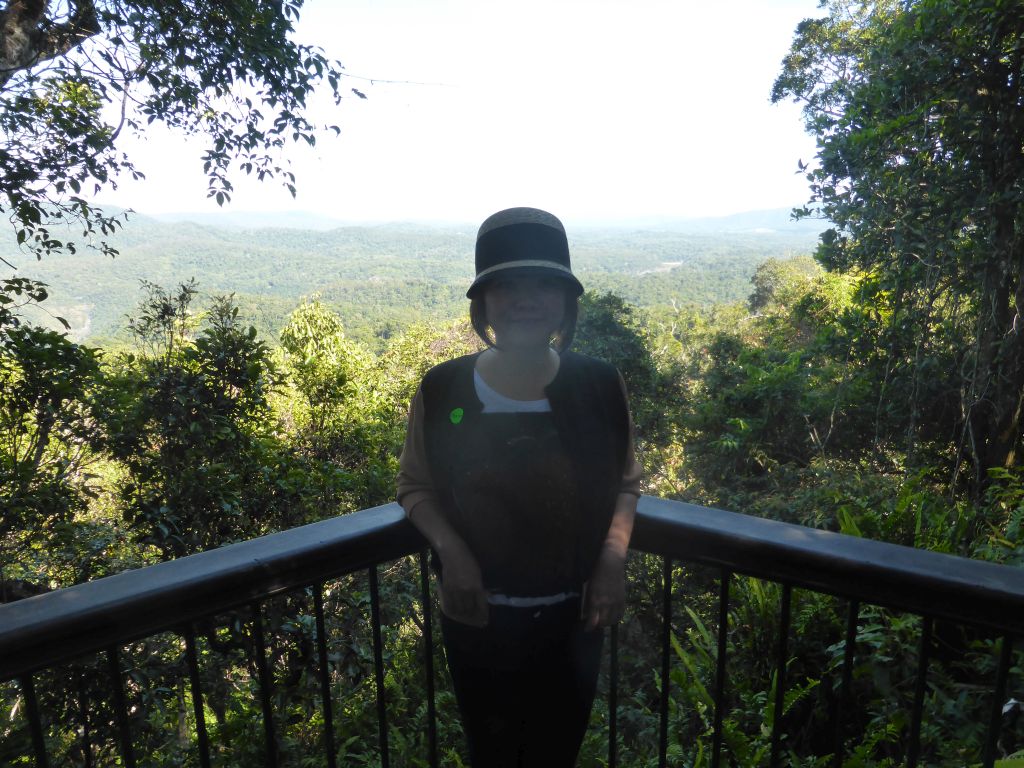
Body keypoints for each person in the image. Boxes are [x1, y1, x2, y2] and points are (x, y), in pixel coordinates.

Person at [397, 206, 642, 767]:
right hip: (478, 620)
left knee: (559, 751)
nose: (525, 300)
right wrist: (452, 550)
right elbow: (415, 485)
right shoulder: (443, 390)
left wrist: (611, 562)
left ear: (565, 301)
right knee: (493, 752)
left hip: (575, 620)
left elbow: (627, 483)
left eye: (543, 285)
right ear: (484, 304)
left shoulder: (599, 385)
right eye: (507, 286)